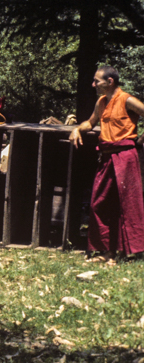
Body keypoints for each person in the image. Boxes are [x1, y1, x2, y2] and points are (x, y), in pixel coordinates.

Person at [69, 66, 144, 261]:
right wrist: (78, 129)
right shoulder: (102, 102)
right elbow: (90, 122)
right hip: (106, 157)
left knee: (124, 204)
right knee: (99, 203)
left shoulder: (127, 100)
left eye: (97, 81)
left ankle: (119, 253)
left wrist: (142, 139)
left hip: (125, 157)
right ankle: (105, 251)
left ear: (110, 82)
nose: (93, 84)